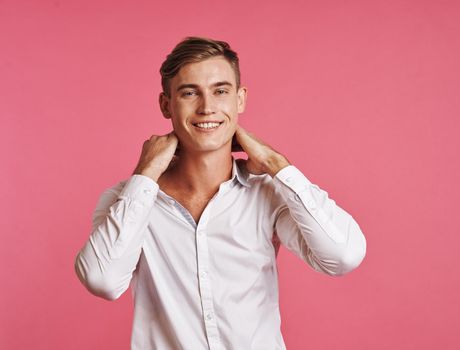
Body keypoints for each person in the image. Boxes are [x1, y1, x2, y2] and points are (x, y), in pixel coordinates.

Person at [74, 36, 367, 350]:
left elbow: (343, 256)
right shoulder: (129, 200)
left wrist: (276, 164)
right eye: (189, 93)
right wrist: (145, 175)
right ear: (165, 104)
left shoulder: (267, 194)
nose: (207, 107)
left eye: (221, 91)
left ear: (240, 99)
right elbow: (102, 280)